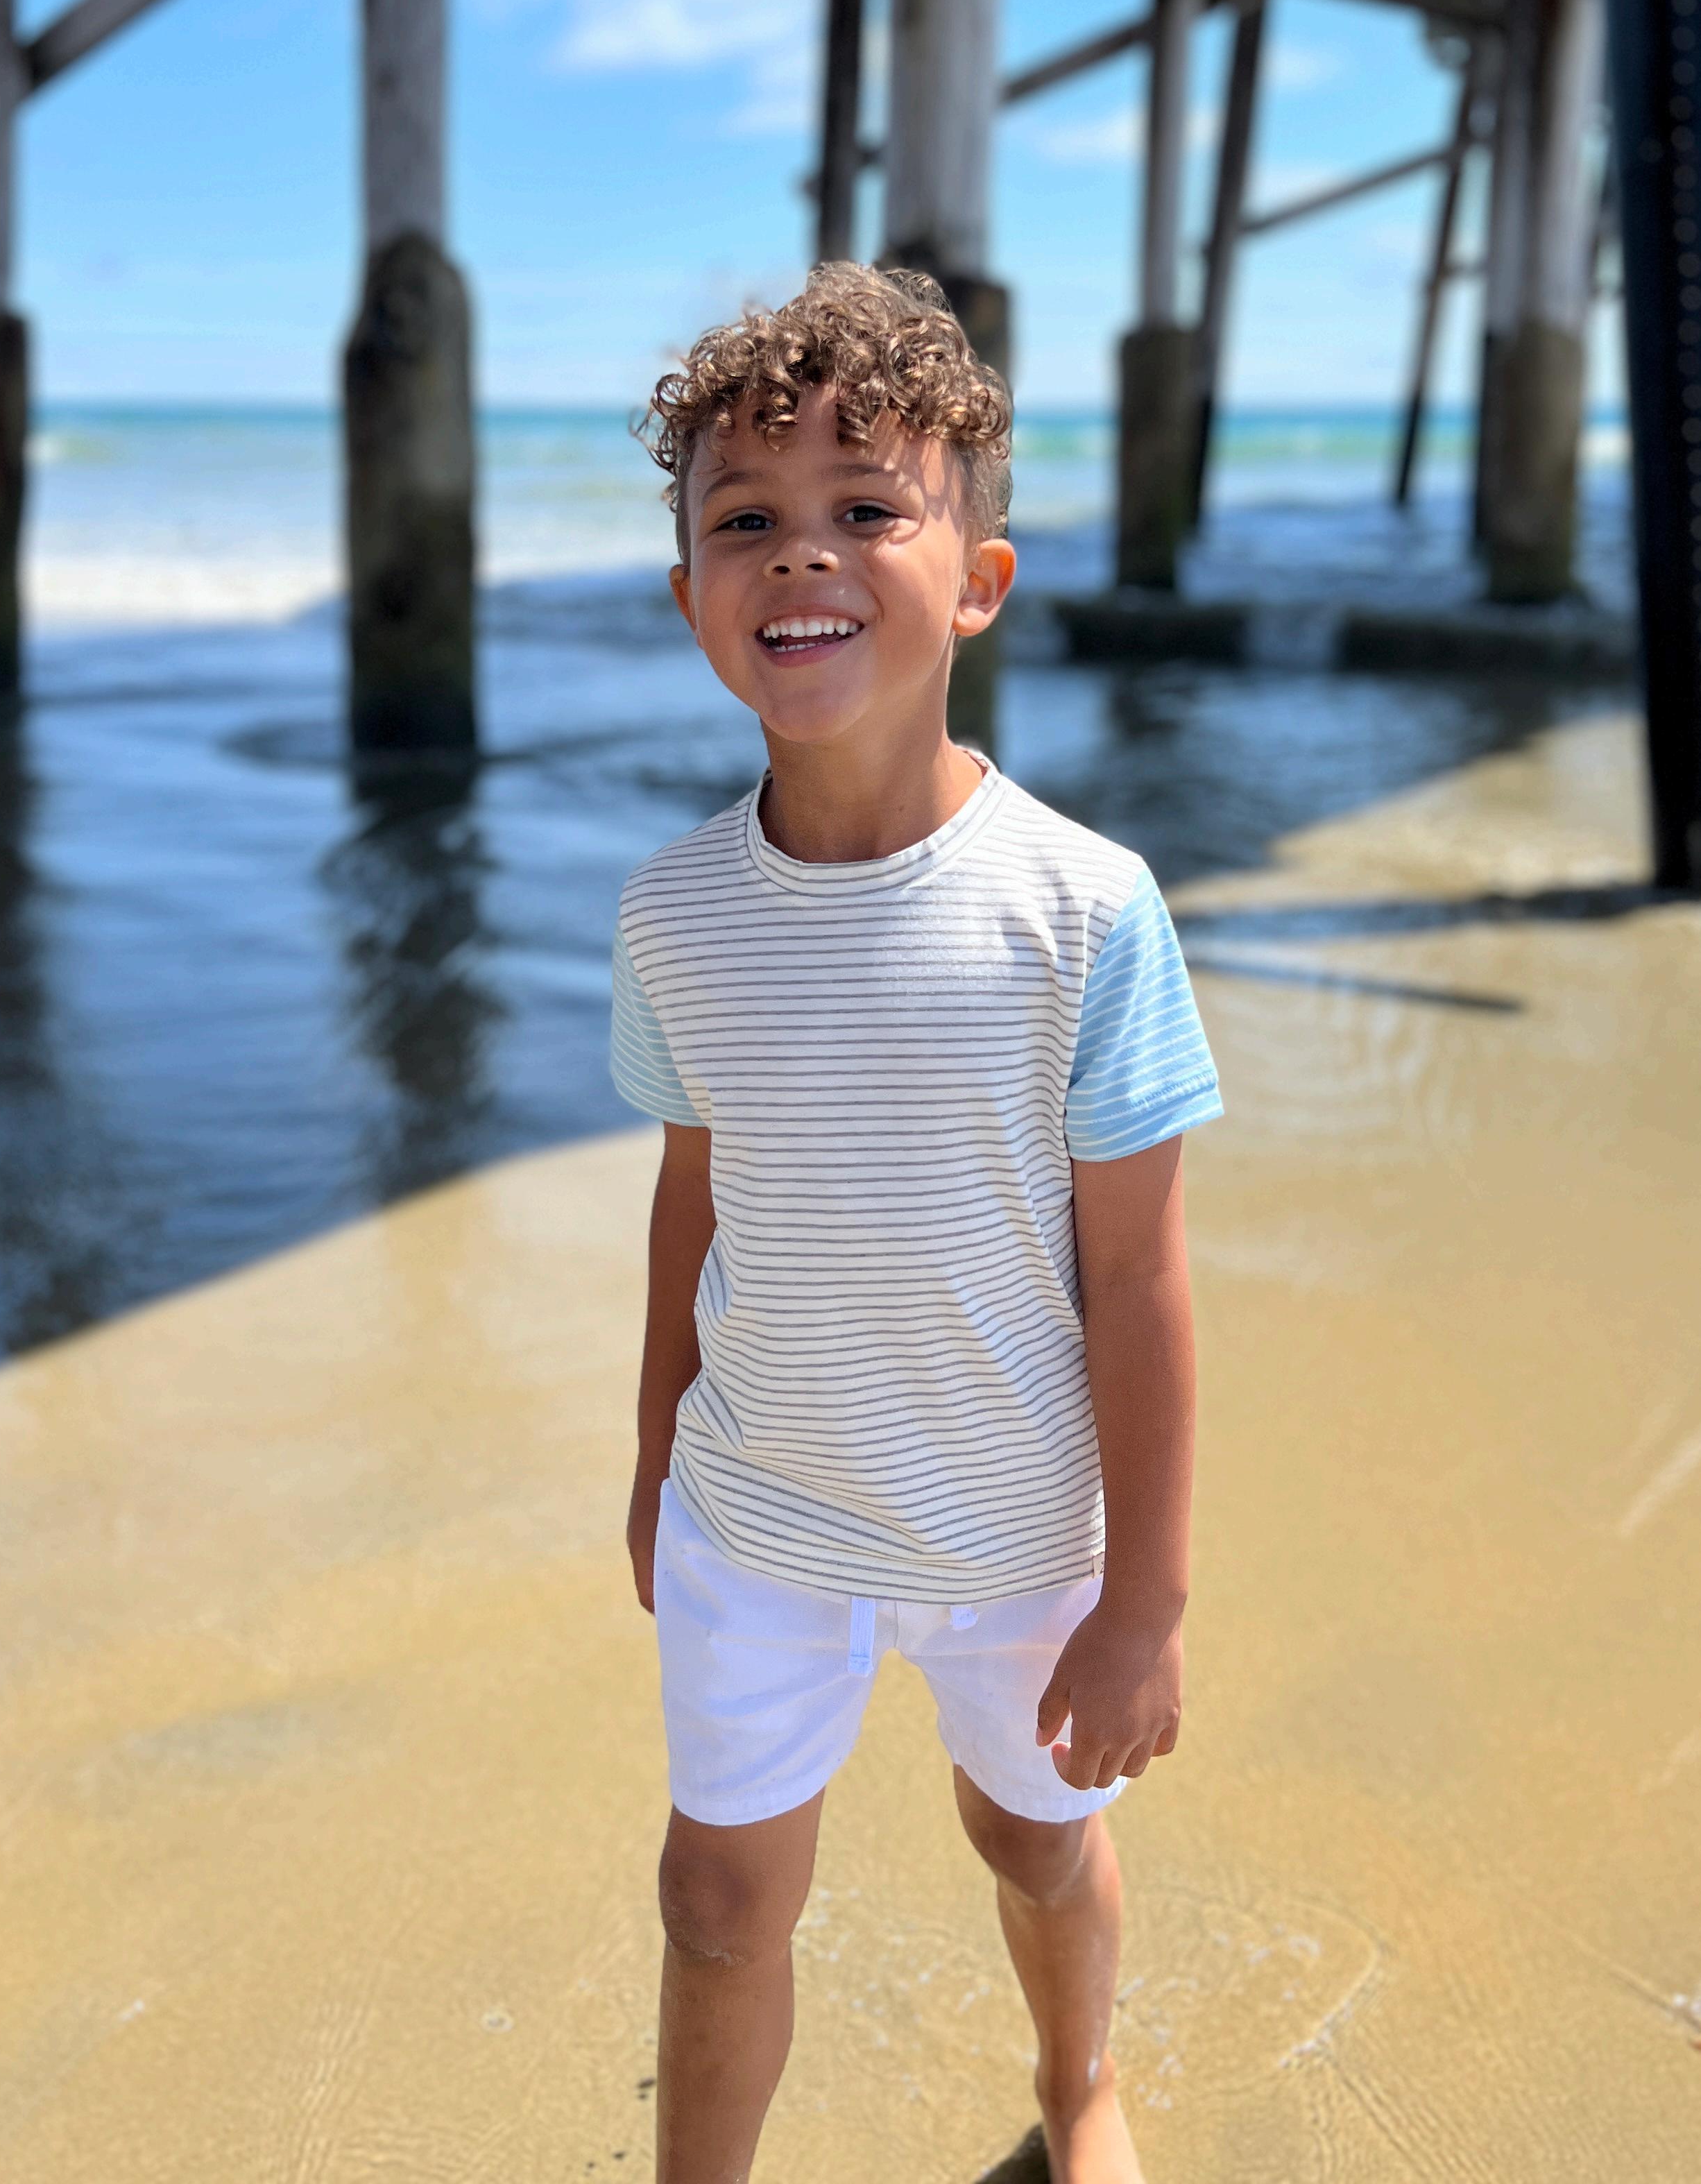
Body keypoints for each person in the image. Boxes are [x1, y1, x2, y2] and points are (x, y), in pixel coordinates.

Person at [610, 262, 1222, 2184]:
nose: (803, 552)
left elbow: (1139, 1278)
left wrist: (1144, 1602)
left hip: (1015, 1522)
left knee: (1032, 1836)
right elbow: (692, 1198)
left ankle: (1079, 2086)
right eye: (745, 521)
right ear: (692, 596)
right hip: (760, 1514)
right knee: (716, 1898)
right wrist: (655, 1455)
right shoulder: (673, 914)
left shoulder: (1086, 909)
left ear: (979, 581)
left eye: (868, 507)